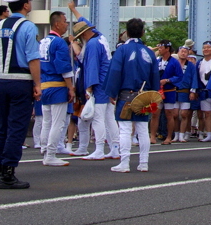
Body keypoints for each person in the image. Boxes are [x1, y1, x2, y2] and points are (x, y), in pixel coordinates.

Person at [0, 0, 42, 190]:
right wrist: (37, 84)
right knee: (17, 127)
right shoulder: (28, 27)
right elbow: (33, 59)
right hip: (21, 81)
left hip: (1, 80)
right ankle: (9, 173)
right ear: (26, 5)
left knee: (2, 126)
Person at [105, 18, 160, 173]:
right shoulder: (149, 52)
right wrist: (153, 94)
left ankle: (124, 162)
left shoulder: (121, 50)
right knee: (143, 129)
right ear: (142, 32)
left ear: (127, 33)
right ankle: (143, 163)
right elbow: (155, 75)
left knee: (125, 129)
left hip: (125, 93)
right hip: (144, 95)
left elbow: (115, 72)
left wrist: (112, 93)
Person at [74, 19, 118, 160]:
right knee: (109, 117)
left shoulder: (92, 44)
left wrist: (89, 87)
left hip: (99, 83)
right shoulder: (101, 38)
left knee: (98, 118)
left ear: (84, 33)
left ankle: (99, 148)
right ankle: (115, 147)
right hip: (108, 82)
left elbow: (92, 67)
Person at [38, 11, 75, 167]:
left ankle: (45, 149)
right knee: (57, 122)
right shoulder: (59, 42)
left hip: (45, 84)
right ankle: (51, 154)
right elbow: (63, 67)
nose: (67, 24)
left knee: (47, 121)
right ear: (57, 24)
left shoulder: (44, 41)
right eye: (65, 21)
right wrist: (71, 88)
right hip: (57, 85)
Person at [153, 40, 183, 145]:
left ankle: (169, 137)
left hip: (169, 90)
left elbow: (179, 76)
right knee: (155, 113)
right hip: (158, 90)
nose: (159, 49)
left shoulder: (174, 62)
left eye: (161, 47)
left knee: (169, 114)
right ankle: (152, 136)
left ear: (167, 48)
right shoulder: (157, 61)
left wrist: (168, 80)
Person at [174, 46, 198, 142]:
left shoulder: (191, 66)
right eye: (181, 51)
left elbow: (194, 78)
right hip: (174, 91)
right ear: (178, 52)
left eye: (185, 52)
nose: (183, 53)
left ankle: (181, 134)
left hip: (185, 91)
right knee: (175, 114)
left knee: (184, 114)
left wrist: (193, 91)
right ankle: (175, 134)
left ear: (188, 54)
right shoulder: (174, 63)